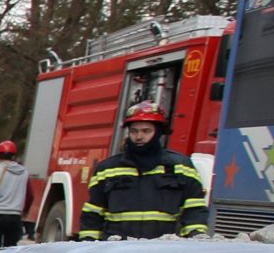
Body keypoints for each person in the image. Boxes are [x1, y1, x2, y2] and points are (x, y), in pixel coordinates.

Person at [77, 102, 208, 241]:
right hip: (117, 249)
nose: (139, 136)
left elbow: (194, 209)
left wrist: (196, 236)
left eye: (146, 131)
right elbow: (93, 212)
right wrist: (88, 242)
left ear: (158, 132)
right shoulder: (108, 168)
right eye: (134, 131)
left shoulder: (181, 167)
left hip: (163, 249)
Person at [0, 139, 29, 249]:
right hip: (15, 216)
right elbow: (29, 195)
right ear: (14, 155)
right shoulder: (24, 173)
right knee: (10, 248)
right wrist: (24, 211)